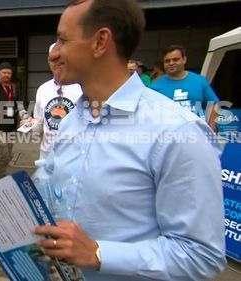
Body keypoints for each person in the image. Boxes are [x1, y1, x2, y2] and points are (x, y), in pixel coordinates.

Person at [35, 1, 226, 280]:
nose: (55, 53)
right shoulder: (72, 119)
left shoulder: (177, 132)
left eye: (63, 40)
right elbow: (49, 181)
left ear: (101, 42)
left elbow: (201, 255)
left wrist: (98, 253)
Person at [22, 43, 83, 159]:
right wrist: (29, 125)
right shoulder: (42, 89)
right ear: (49, 63)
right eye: (54, 60)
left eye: (62, 59)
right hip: (46, 156)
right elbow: (39, 125)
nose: (58, 63)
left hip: (73, 157)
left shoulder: (82, 88)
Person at [151, 45, 220, 131]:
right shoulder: (155, 87)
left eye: (176, 59)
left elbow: (213, 104)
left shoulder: (199, 81)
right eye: (167, 61)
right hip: (170, 137)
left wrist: (212, 127)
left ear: (184, 60)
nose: (171, 63)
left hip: (198, 134)